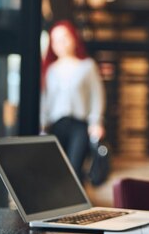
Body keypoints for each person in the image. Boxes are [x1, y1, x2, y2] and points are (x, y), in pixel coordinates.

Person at [41, 20, 105, 183]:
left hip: (79, 125)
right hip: (55, 125)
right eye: (55, 40)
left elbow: (96, 95)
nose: (60, 44)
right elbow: (45, 99)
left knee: (75, 169)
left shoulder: (87, 66)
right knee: (57, 169)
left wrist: (96, 122)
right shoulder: (50, 69)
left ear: (73, 39)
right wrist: (42, 124)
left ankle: (77, 207)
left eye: (64, 38)